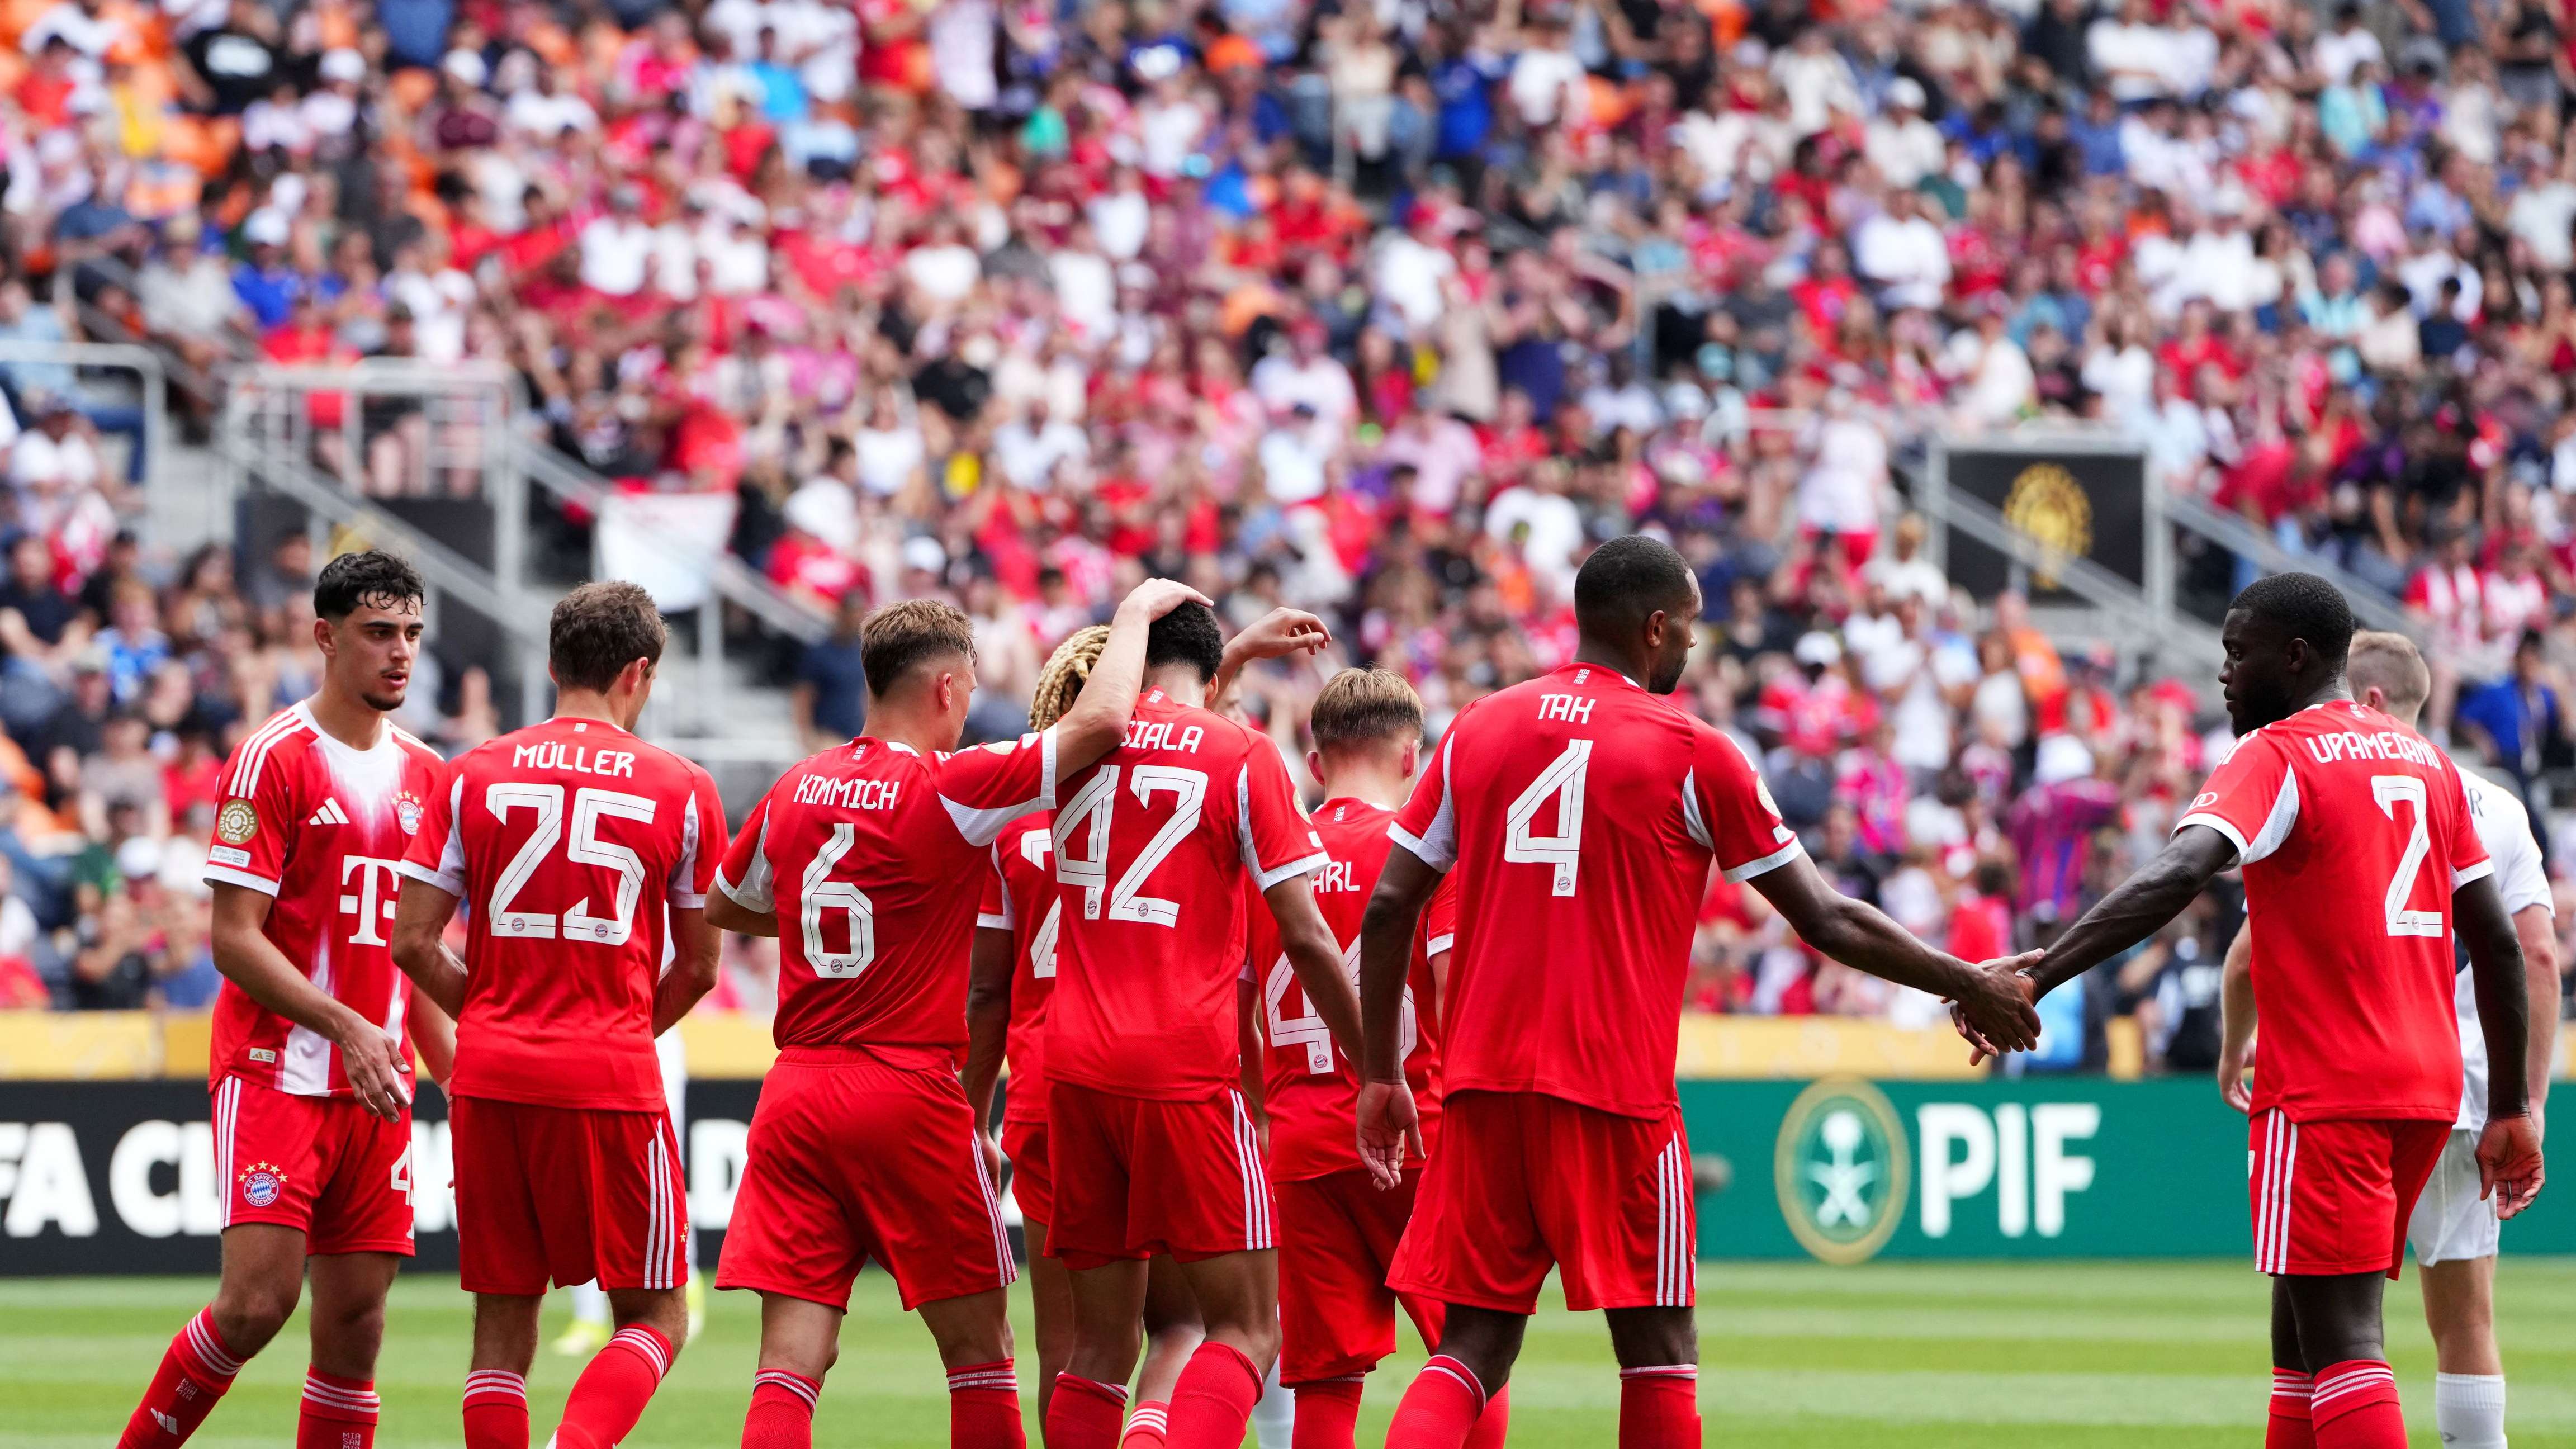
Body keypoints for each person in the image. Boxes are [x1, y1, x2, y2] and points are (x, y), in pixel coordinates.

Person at [1354, 535, 2042, 1449]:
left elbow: (1389, 905)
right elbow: (1826, 919)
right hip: (1615, 1094)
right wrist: (1967, 982)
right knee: (1659, 1354)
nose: (1693, 644)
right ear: (1653, 626)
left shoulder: (1480, 726)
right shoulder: (1692, 750)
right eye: (1690, 625)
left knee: (1473, 1347)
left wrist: (1379, 1074)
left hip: (1481, 1085)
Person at [1982, 574, 2545, 1449]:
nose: (2223, 674)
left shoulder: (2278, 755)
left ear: (2295, 657)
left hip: (2327, 1088)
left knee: (2347, 1342)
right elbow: (2504, 947)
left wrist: (2039, 975)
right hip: (2428, 1089)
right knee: (2300, 1340)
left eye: (2237, 654)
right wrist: (2511, 1103)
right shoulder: (2425, 761)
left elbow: (2179, 872)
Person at [700, 580, 1206, 1449]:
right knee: (982, 1353)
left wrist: (854, 907)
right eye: (970, 689)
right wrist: (1132, 618)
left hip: (795, 1094)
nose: (971, 708)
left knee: (790, 1360)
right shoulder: (953, 787)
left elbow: (726, 903)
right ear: (946, 687)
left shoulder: (796, 786)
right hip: (904, 1089)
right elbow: (1101, 727)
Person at [115, 550, 454, 1449]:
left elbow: (415, 954)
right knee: (256, 1306)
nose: (401, 654)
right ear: (324, 636)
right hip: (275, 1072)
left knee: (357, 1330)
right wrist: (346, 1024)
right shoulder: (271, 759)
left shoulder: (431, 776)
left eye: (412, 634)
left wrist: (462, 1076)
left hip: (377, 1085)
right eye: (379, 633)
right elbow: (234, 938)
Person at [389, 582, 728, 1449]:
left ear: (551, 666)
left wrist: (500, 1012)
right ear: (639, 673)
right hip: (610, 1072)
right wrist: (613, 1027)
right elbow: (698, 965)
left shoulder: (472, 775)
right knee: (656, 1315)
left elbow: (413, 945)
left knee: (501, 1336)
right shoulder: (683, 788)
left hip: (493, 1073)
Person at [2214, 630, 2559, 1449]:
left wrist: (2235, 1050)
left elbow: (2247, 954)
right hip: (2462, 1082)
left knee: (2326, 1332)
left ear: (2362, 700)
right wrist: (2528, 1101)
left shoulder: (2325, 773)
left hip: (2342, 1075)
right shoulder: (2491, 802)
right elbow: (2536, 954)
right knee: (2466, 1319)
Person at [1039, 599, 1366, 1449]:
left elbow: (1152, 725)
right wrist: (1381, 1069)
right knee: (1248, 1328)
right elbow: (1303, 931)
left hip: (1071, 1068)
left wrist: (1230, 656)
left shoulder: (1069, 748)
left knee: (1099, 1350)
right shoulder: (1243, 753)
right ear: (1210, 670)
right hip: (1183, 1068)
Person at [1245, 667, 1506, 1449]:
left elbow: (1237, 1012)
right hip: (1417, 1130)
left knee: (1326, 1382)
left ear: (1317, 761)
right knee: (1470, 1358)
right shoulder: (1426, 857)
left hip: (1301, 1140)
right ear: (1411, 755)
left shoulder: (1270, 861)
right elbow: (1458, 1002)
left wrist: (1270, 1111)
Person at [960, 624, 1207, 1449]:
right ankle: (1152, 1433)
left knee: (1067, 1354)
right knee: (1186, 1326)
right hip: (1159, 1072)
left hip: (1045, 1090)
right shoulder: (1171, 798)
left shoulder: (1016, 829)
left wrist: (969, 1116)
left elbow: (987, 990)